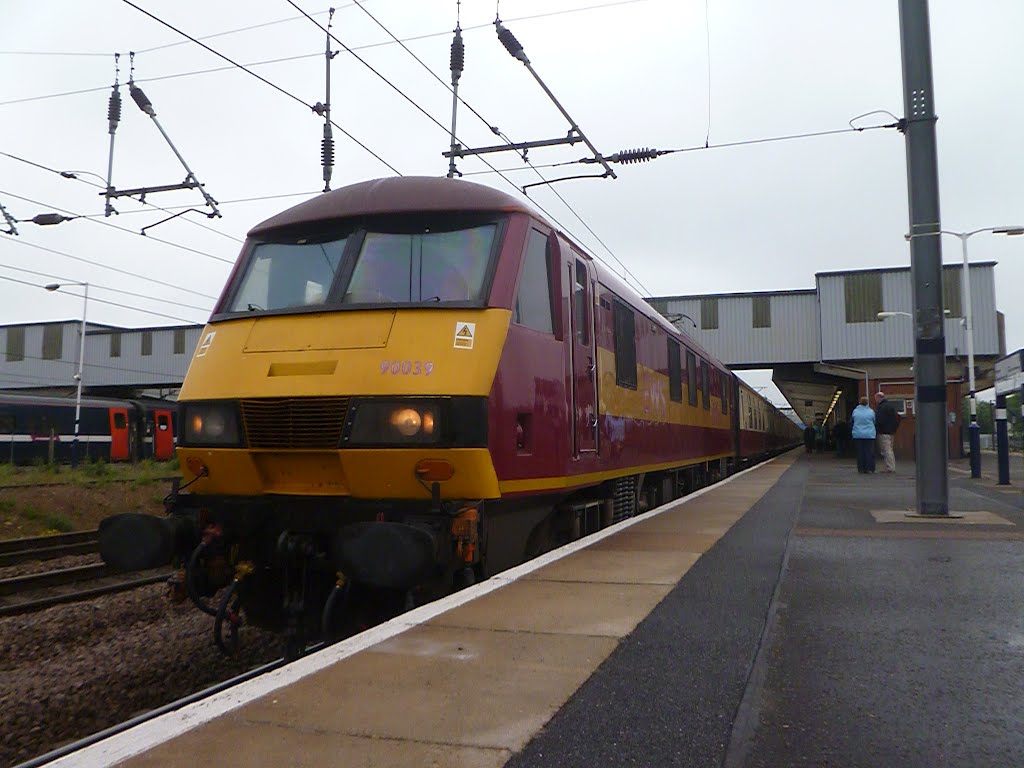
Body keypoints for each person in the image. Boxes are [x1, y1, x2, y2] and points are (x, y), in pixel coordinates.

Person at [874, 391, 901, 473]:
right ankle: (889, 466)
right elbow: (898, 418)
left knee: (886, 450)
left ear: (879, 398)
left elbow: (879, 420)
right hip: (891, 431)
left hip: (883, 431)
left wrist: (877, 428)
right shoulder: (891, 406)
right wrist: (894, 428)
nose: (876, 401)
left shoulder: (881, 408)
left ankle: (890, 467)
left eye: (876, 399)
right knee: (889, 449)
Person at [851, 397, 876, 474]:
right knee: (869, 452)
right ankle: (870, 468)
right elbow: (874, 421)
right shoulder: (871, 412)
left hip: (858, 434)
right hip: (869, 434)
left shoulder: (855, 411)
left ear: (859, 402)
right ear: (867, 402)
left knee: (860, 452)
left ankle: (861, 468)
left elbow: (852, 421)